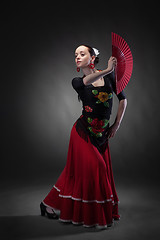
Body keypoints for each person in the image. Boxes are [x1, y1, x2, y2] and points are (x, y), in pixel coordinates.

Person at [40, 45, 127, 230]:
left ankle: (47, 204)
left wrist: (116, 125)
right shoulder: (77, 81)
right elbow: (88, 82)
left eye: (82, 53)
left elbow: (123, 99)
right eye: (75, 55)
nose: (77, 57)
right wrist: (107, 70)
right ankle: (95, 216)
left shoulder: (111, 77)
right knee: (98, 167)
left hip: (102, 134)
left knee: (75, 172)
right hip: (83, 132)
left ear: (92, 57)